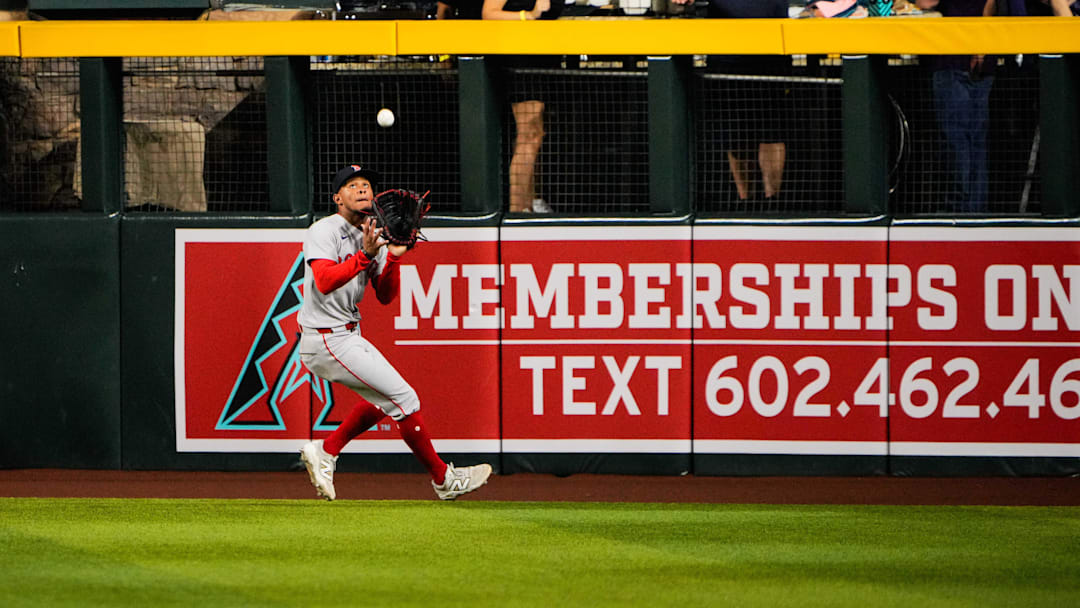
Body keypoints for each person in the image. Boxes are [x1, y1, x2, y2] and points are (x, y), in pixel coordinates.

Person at [297, 164, 492, 501]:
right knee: (405, 399)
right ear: (337, 198)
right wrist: (366, 255)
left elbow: (386, 296)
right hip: (325, 337)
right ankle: (444, 480)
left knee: (385, 400)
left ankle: (326, 451)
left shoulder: (375, 232)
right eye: (352, 185)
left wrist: (394, 257)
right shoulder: (324, 230)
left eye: (366, 185)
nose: (361, 189)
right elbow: (325, 281)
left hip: (347, 335)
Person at [438, 0, 562, 213]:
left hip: (542, 52)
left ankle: (532, 201)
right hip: (518, 57)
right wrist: (528, 15)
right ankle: (518, 211)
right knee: (529, 132)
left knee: (536, 132)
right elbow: (489, 12)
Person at [680, 0, 792, 204]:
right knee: (735, 134)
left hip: (771, 45)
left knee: (772, 132)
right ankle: (745, 203)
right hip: (726, 47)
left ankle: (773, 203)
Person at [915, 0, 996, 212]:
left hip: (952, 59)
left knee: (957, 143)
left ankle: (958, 215)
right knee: (976, 144)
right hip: (983, 57)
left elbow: (925, 2)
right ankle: (975, 214)